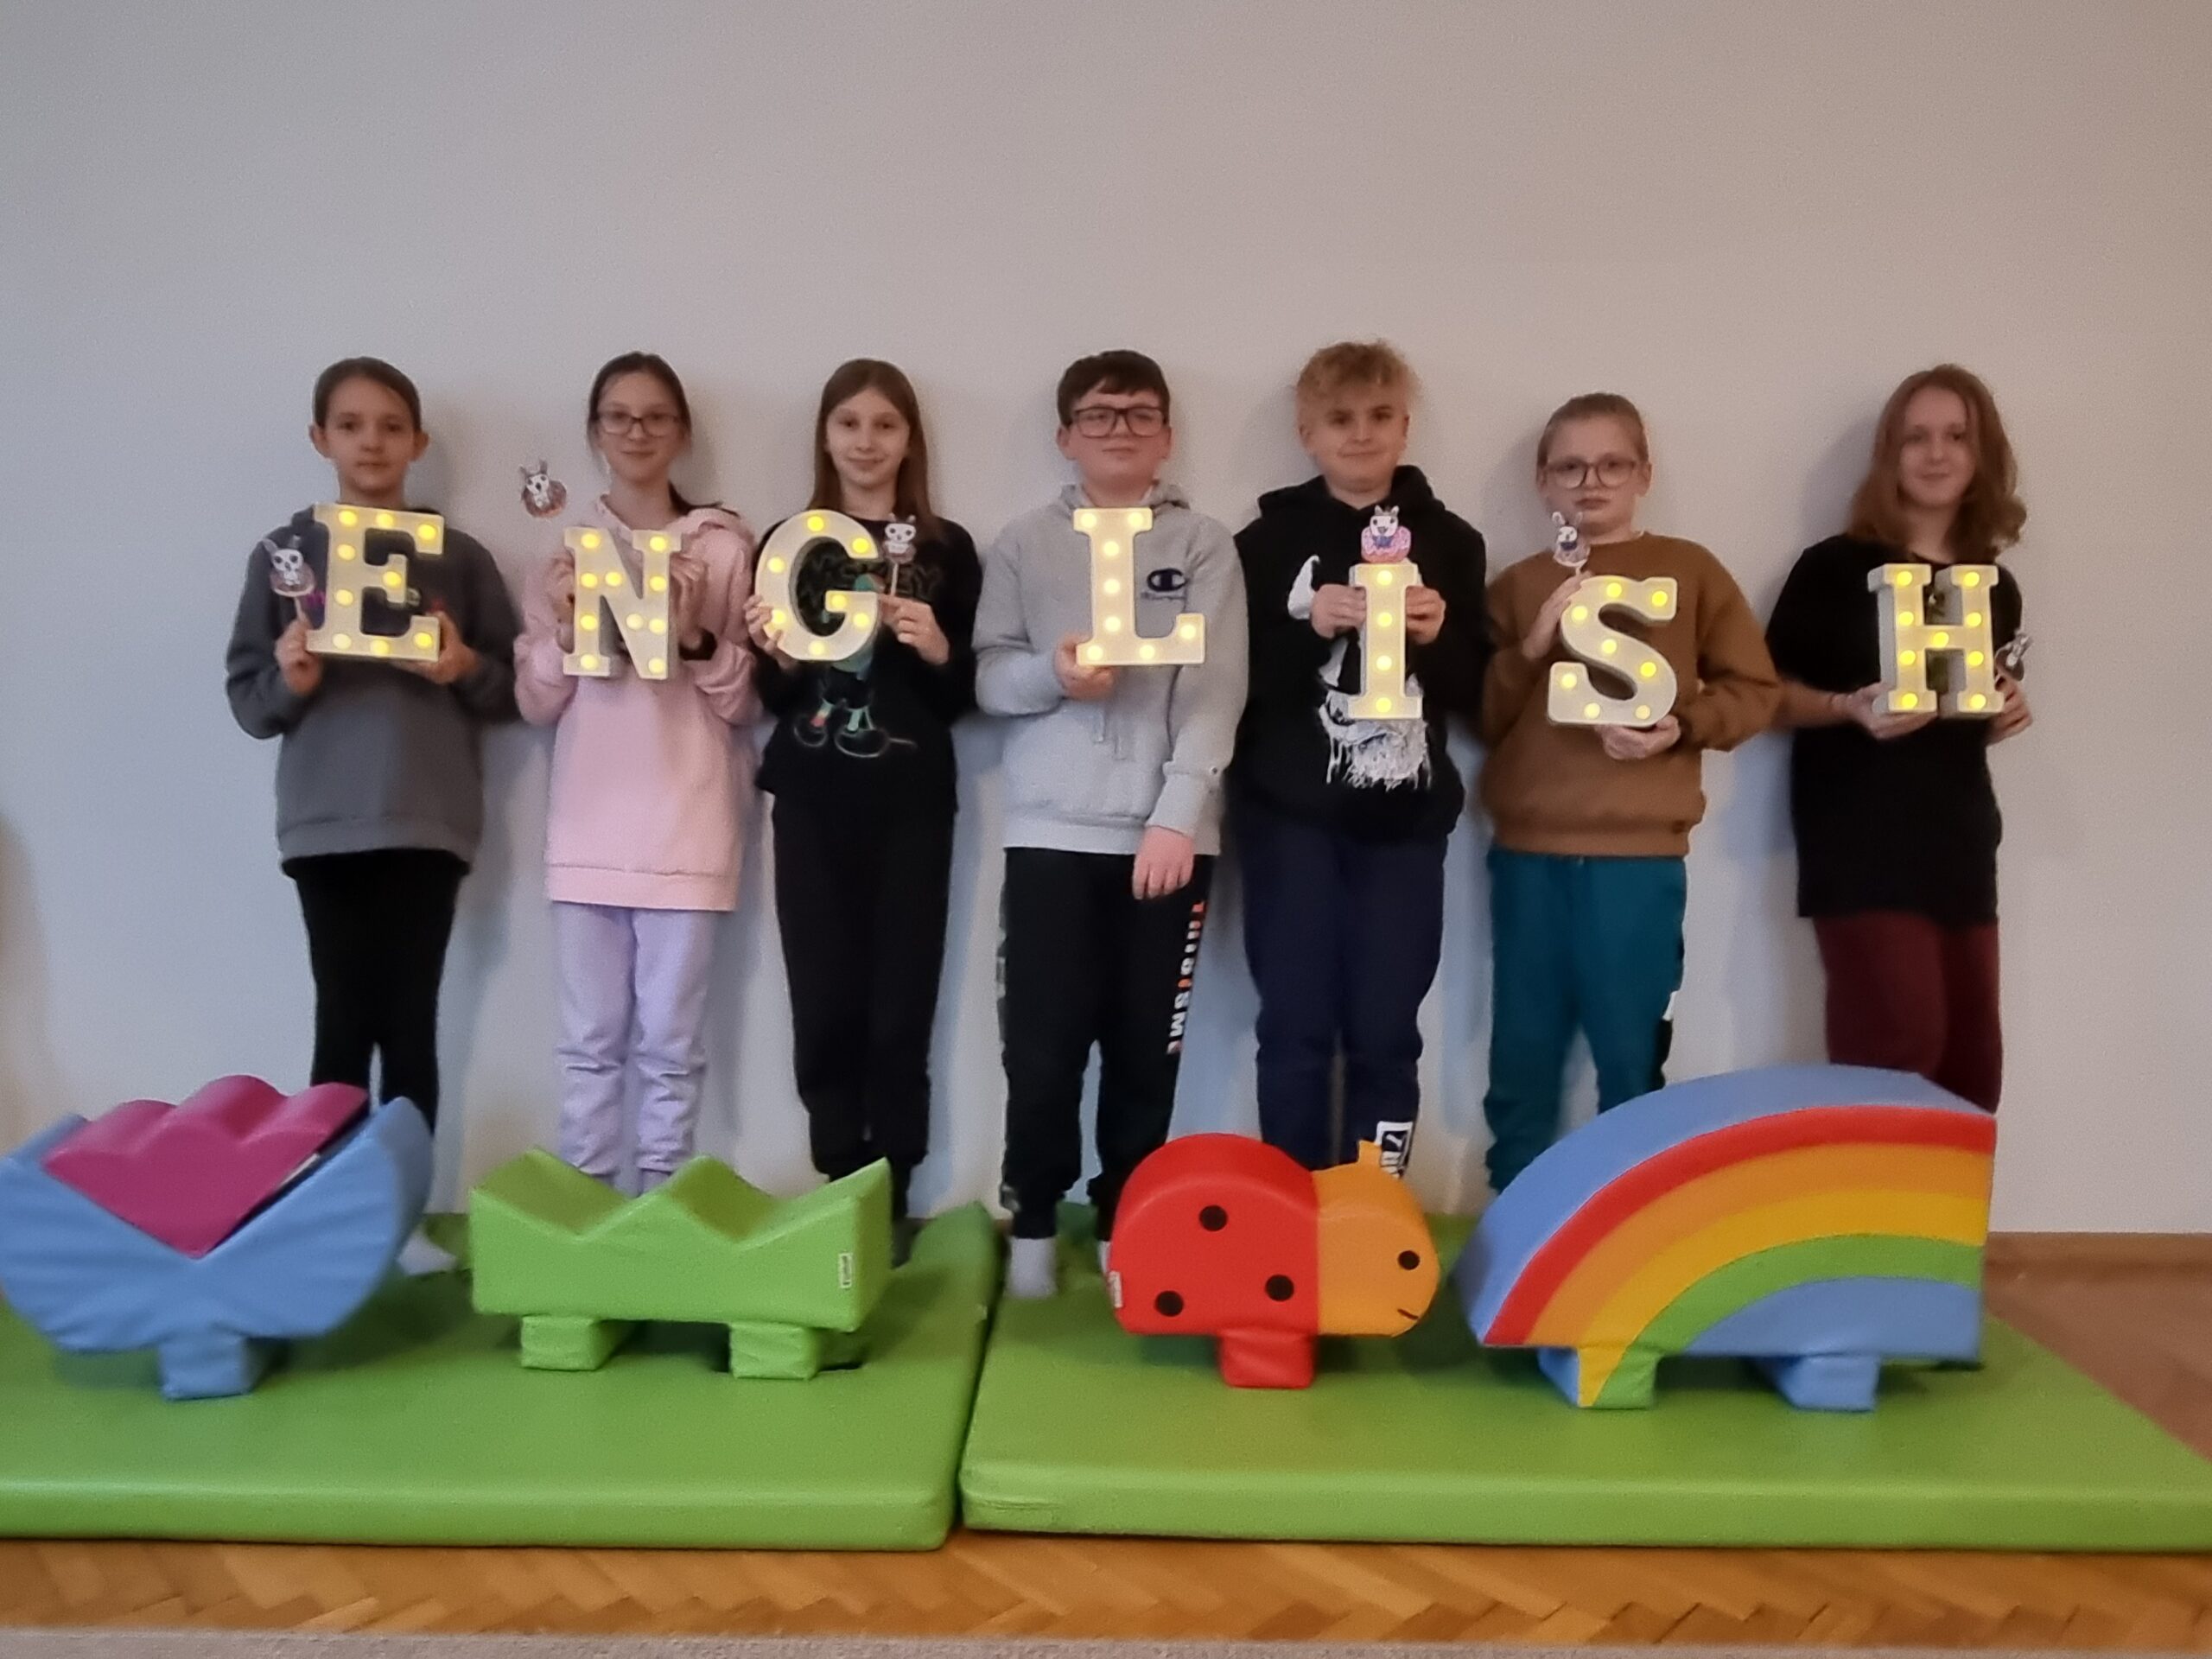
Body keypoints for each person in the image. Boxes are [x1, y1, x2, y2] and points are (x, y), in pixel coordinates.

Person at [224, 355, 519, 1274]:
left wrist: (461, 666)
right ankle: (334, 1222)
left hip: (429, 820)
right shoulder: (283, 554)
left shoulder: (460, 559)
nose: (373, 443)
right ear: (321, 439)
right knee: (343, 1023)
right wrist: (293, 679)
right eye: (351, 425)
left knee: (410, 1023)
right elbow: (248, 699)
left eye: (392, 426)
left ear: (418, 442)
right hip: (324, 823)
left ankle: (401, 1218)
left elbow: (514, 687)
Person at [972, 349, 1249, 1298]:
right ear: (1066, 436)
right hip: (1050, 835)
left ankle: (1129, 1230)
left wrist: (1178, 813)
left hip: (1166, 841)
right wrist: (1053, 675)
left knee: (1144, 1053)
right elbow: (990, 678)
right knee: (1042, 1050)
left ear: (1167, 436)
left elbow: (1215, 690)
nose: (1119, 429)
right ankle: (1033, 1230)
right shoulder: (1022, 543)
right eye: (1098, 414)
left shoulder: (1204, 544)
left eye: (1138, 414)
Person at [1478, 392, 1778, 1192]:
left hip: (1639, 860)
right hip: (1528, 854)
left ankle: (1634, 1214)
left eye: (1612, 465)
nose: (1592, 482)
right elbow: (1480, 716)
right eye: (1571, 467)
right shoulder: (1518, 585)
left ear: (1644, 474)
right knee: (1522, 1047)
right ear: (1543, 480)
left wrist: (1681, 725)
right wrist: (1532, 647)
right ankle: (1514, 1210)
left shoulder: (1691, 570)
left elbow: (1756, 691)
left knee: (1630, 1049)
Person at [1230, 340, 1487, 1174]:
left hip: (1406, 824)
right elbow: (1230, 686)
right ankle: (1292, 1198)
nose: (1362, 434)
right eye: (1340, 419)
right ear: (1307, 433)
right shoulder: (1263, 544)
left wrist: (1440, 638)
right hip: (1289, 820)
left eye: (1380, 417)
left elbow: (1479, 693)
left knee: (1386, 1031)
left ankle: (1375, 1207)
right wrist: (1308, 628)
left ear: (1405, 427)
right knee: (1295, 1025)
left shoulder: (1453, 542)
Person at [742, 359, 981, 1259]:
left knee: (901, 1002)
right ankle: (839, 1176)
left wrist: (938, 647)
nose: (867, 442)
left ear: (910, 439)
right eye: (849, 424)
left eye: (885, 425)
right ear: (825, 436)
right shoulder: (790, 542)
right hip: (811, 799)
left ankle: (896, 1185)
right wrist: (776, 655)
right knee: (824, 998)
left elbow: (962, 699)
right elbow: (772, 697)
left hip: (913, 803)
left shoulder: (947, 549)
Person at [513, 353, 758, 1190]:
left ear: (682, 433)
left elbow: (748, 700)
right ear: (594, 433)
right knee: (588, 1044)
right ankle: (586, 1206)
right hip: (587, 831)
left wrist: (695, 640)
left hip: (690, 830)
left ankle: (660, 1204)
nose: (637, 432)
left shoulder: (725, 549)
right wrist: (562, 631)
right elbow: (535, 700)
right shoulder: (564, 551)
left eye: (656, 417)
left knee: (671, 1047)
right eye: (618, 416)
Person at [1766, 365, 2032, 1110]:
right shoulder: (1833, 568)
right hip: (1861, 845)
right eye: (1917, 437)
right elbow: (1761, 695)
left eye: (1956, 436)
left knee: (1973, 1069)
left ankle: (1951, 1201)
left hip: (1960, 845)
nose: (1936, 453)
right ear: (1891, 453)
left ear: (1983, 454)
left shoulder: (1994, 587)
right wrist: (1846, 707)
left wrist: (2002, 714)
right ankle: (1871, 1195)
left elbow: (1962, 715)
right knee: (1896, 1053)